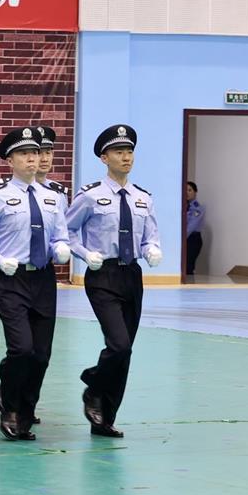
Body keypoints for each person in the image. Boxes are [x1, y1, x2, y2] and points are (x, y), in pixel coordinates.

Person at [0, 127, 71, 441]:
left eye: (35, 153)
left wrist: (61, 247)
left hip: (43, 279)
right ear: (10, 160)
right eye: (24, 154)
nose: (32, 159)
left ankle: (26, 409)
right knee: (21, 348)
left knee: (41, 354)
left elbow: (60, 235)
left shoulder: (54, 198)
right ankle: (11, 409)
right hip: (11, 279)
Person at [67, 125, 161, 438]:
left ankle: (105, 418)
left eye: (129, 151)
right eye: (119, 152)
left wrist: (152, 249)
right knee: (118, 344)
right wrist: (84, 254)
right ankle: (94, 386)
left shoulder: (143, 198)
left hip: (131, 275)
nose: (126, 157)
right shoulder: (90, 196)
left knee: (126, 350)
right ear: (104, 158)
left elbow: (150, 236)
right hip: (102, 274)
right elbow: (67, 231)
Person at [185, 181, 205, 276]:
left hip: (193, 239)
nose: (187, 193)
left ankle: (189, 284)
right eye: (185, 190)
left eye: (190, 190)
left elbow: (191, 226)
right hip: (185, 239)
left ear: (195, 192)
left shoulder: (198, 208)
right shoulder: (184, 206)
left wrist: (180, 239)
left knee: (188, 266)